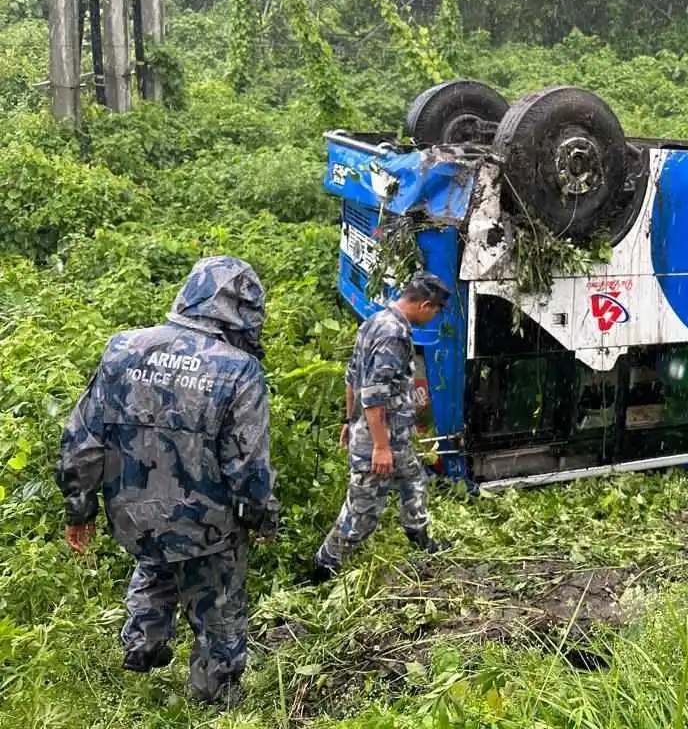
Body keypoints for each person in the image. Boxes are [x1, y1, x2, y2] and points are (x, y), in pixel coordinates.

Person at [55, 256, 279, 709]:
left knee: (154, 559)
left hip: (134, 513)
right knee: (218, 608)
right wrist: (262, 517)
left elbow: (82, 439)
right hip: (207, 524)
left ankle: (142, 645)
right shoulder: (238, 370)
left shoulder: (122, 348)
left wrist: (79, 509)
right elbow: (248, 465)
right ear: (245, 310)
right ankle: (214, 699)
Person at [313, 271, 452, 580]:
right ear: (425, 304)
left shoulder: (374, 322)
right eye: (436, 312)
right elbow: (374, 395)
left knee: (414, 482)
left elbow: (352, 378)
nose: (434, 319)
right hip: (380, 441)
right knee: (362, 512)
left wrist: (348, 421)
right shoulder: (393, 335)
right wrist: (380, 447)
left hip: (393, 439)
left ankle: (422, 540)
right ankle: (324, 567)